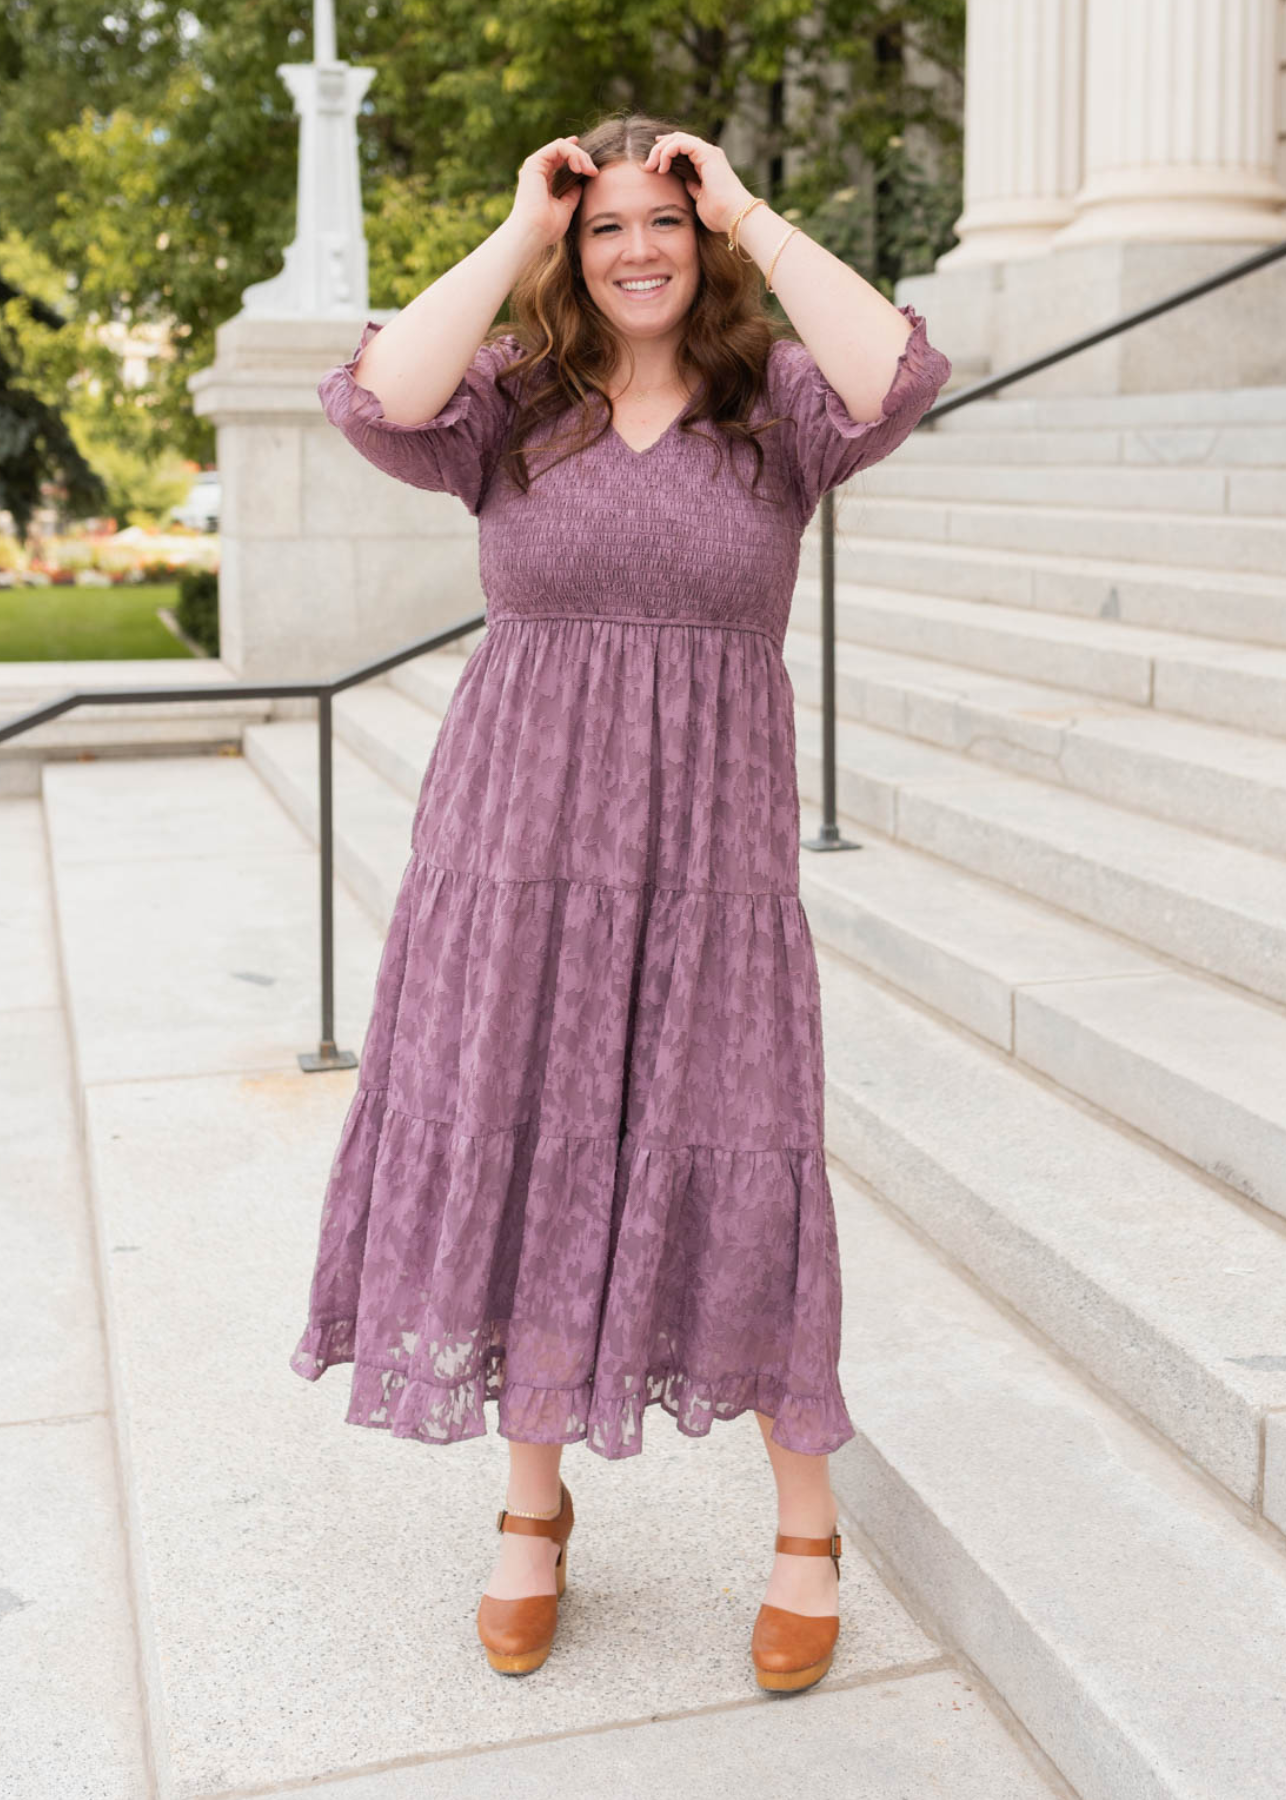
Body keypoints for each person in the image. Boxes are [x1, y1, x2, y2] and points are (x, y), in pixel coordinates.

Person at [290, 109, 952, 1690]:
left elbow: (900, 374)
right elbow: (374, 393)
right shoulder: (513, 402)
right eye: (610, 226)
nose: (639, 247)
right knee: (519, 1123)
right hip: (513, 848)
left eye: (668, 220)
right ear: (574, 253)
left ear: (703, 237)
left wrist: (755, 211)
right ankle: (531, 1508)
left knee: (740, 1145)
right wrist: (522, 224)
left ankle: (805, 1520)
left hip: (709, 865)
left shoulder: (777, 406)